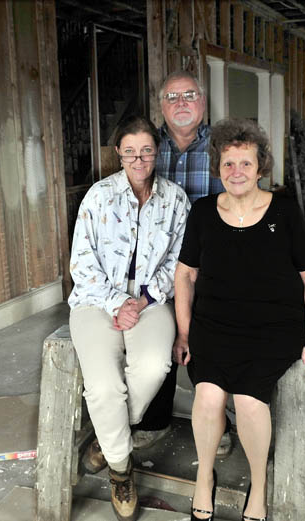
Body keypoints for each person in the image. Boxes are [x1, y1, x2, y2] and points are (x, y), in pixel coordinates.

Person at [173, 119, 305, 521]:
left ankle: (258, 488)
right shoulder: (204, 212)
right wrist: (184, 332)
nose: (236, 172)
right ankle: (204, 479)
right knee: (208, 397)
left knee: (247, 399)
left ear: (261, 168)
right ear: (217, 167)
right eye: (228, 164)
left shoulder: (284, 210)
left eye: (245, 163)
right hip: (214, 326)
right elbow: (185, 274)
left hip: (272, 328)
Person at [68, 115, 190, 521]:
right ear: (118, 153)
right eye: (130, 151)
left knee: (155, 365)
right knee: (103, 387)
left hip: (152, 301)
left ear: (157, 152)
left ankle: (108, 438)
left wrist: (142, 299)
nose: (139, 160)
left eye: (147, 151)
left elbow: (179, 261)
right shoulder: (98, 197)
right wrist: (116, 301)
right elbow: (81, 264)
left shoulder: (175, 199)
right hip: (96, 302)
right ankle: (121, 470)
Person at [131, 70, 231, 452]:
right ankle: (155, 420)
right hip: (158, 265)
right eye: (172, 97)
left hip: (210, 264)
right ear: (161, 106)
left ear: (203, 102)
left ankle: (217, 425)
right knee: (159, 336)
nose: (181, 103)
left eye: (189, 95)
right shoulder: (148, 148)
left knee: (210, 342)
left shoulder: (222, 147)